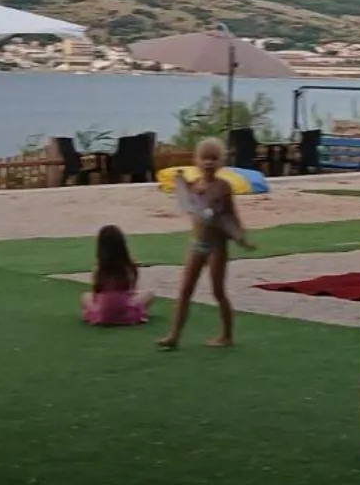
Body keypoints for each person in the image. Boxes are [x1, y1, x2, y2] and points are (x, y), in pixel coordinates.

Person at [156, 137, 255, 351]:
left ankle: (227, 335)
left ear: (221, 162)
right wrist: (180, 184)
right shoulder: (194, 186)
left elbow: (230, 215)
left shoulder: (223, 187)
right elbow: (186, 203)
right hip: (197, 244)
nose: (209, 162)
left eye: (214, 158)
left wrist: (240, 236)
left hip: (217, 246)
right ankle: (173, 335)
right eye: (205, 158)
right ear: (197, 161)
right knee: (184, 290)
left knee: (218, 291)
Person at [82, 225, 155, 327]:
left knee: (86, 296)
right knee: (149, 294)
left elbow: (95, 294)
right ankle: (132, 314)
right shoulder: (129, 267)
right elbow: (132, 289)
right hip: (125, 310)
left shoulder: (99, 269)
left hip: (103, 314)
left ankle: (100, 314)